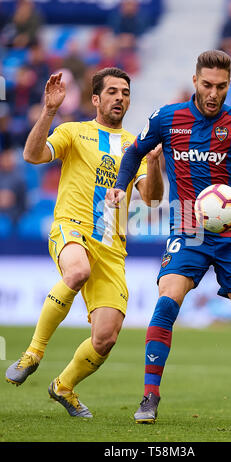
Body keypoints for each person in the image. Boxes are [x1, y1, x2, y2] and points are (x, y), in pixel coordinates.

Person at [106, 50, 231, 423]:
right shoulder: (167, 117)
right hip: (188, 226)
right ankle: (149, 397)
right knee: (166, 302)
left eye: (221, 87)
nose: (213, 93)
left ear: (229, 85)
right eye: (207, 85)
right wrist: (121, 187)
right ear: (195, 82)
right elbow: (133, 153)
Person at [5, 67, 164, 418]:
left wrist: (154, 165)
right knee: (76, 271)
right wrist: (48, 111)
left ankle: (63, 386)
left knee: (105, 338)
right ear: (95, 99)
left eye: (124, 92)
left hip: (112, 248)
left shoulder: (133, 147)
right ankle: (33, 353)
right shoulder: (74, 132)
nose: (119, 97)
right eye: (111, 91)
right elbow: (32, 156)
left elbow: (151, 199)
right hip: (71, 227)